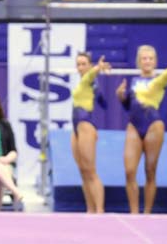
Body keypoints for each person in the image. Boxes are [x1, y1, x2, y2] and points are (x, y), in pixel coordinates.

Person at [116, 46, 167, 214]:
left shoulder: (160, 80)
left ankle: (147, 213)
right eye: (144, 58)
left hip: (153, 124)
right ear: (139, 61)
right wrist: (121, 96)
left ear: (155, 62)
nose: (147, 61)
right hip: (134, 125)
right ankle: (134, 212)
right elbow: (129, 106)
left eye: (151, 58)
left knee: (150, 170)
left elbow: (166, 75)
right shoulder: (134, 81)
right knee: (130, 171)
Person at [70, 53, 111, 213]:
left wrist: (97, 69)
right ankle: (90, 209)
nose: (81, 67)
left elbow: (103, 101)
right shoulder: (86, 82)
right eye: (78, 64)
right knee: (83, 171)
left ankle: (100, 211)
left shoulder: (89, 79)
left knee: (91, 170)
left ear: (89, 65)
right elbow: (102, 101)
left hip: (86, 125)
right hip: (76, 128)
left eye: (83, 64)